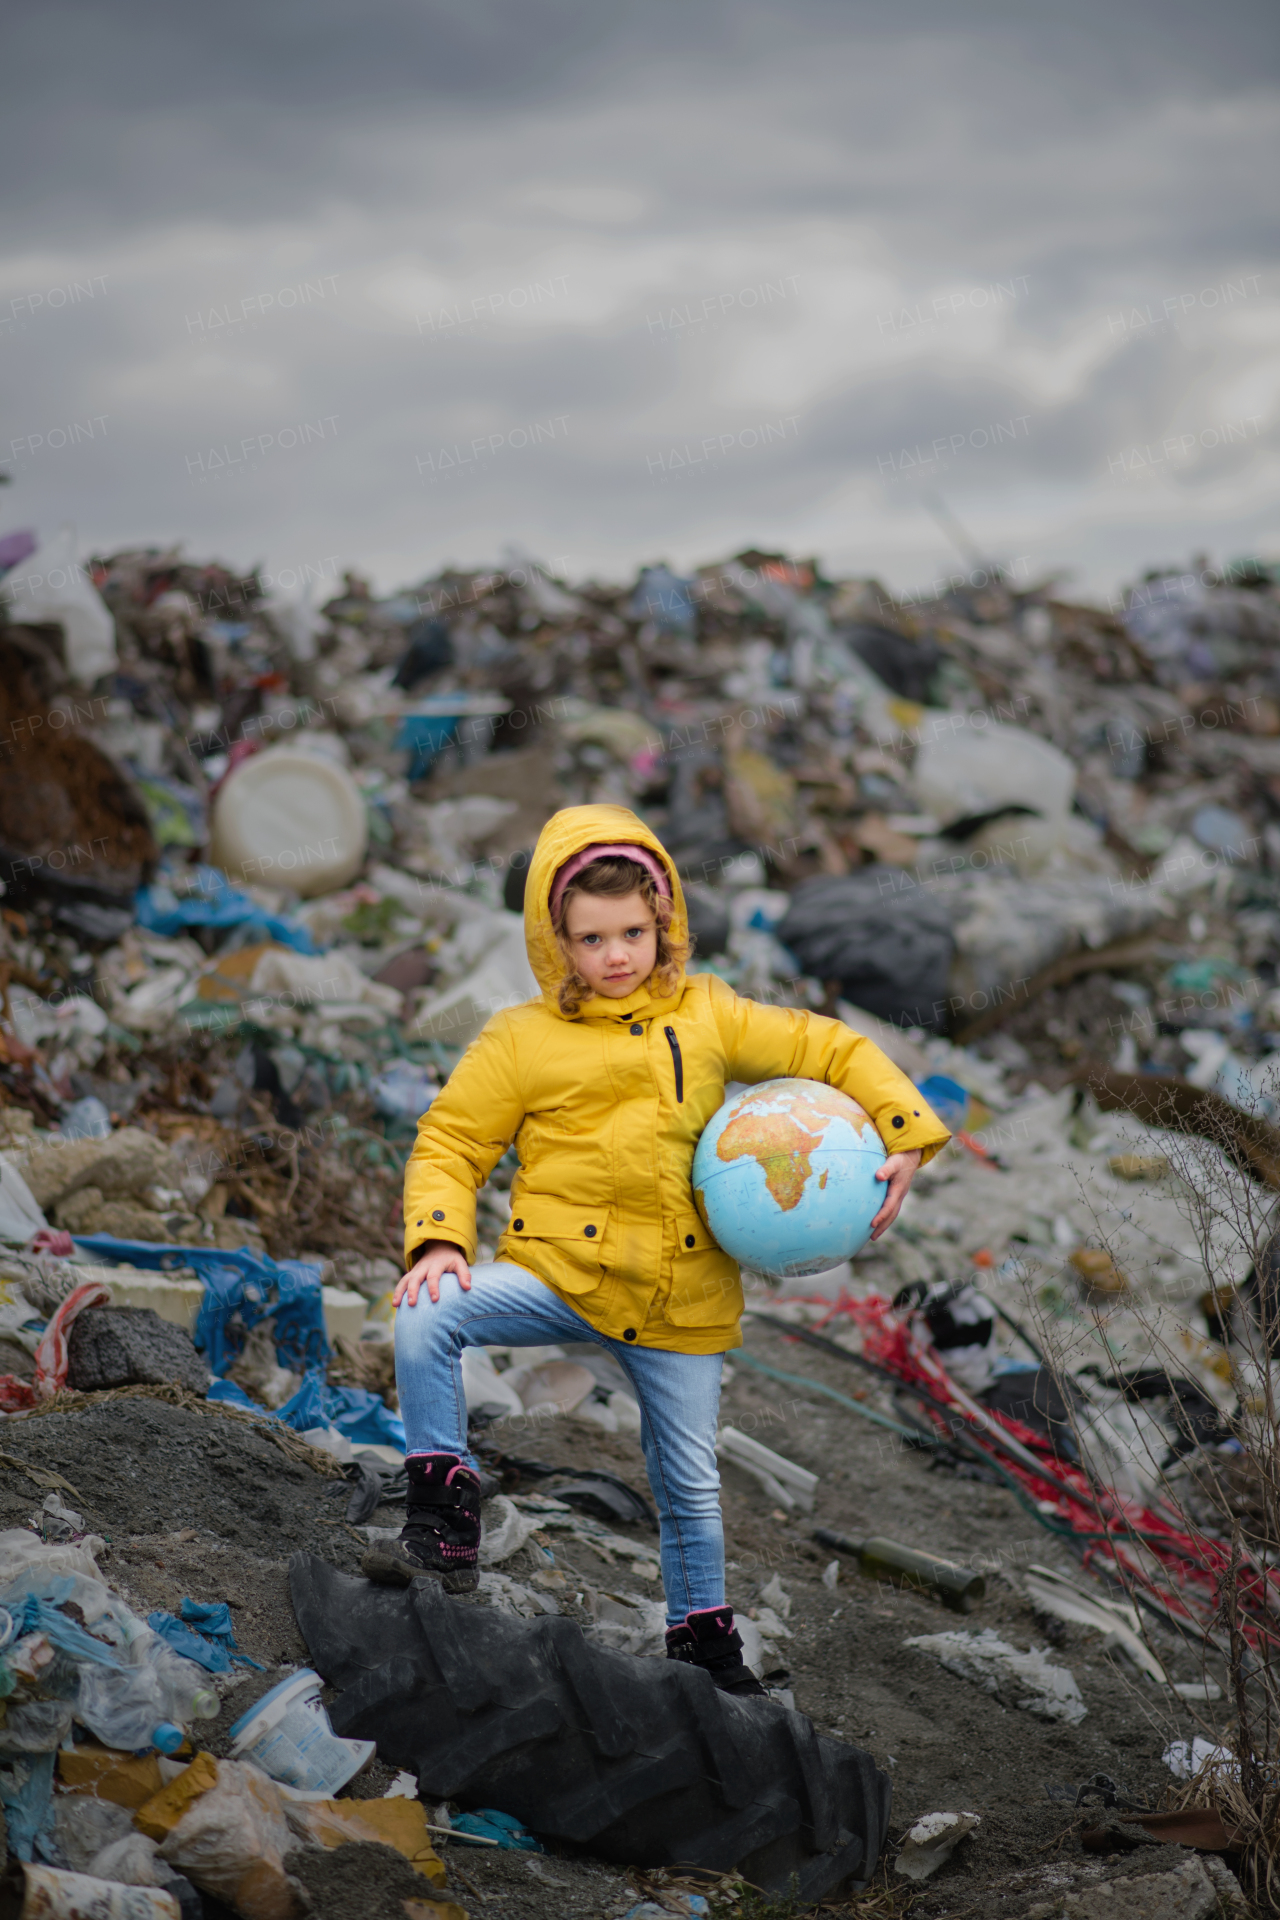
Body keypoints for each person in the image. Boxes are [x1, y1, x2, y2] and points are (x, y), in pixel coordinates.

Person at [366, 805, 950, 1695]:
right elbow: (449, 1141)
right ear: (554, 939)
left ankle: (703, 1644)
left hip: (682, 1305)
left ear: (664, 921)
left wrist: (903, 1129)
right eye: (591, 938)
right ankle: (445, 1509)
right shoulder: (520, 1038)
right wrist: (439, 1240)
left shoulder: (708, 1012)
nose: (615, 956)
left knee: (690, 1489)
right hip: (558, 1276)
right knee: (424, 1314)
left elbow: (824, 1044)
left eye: (633, 932)